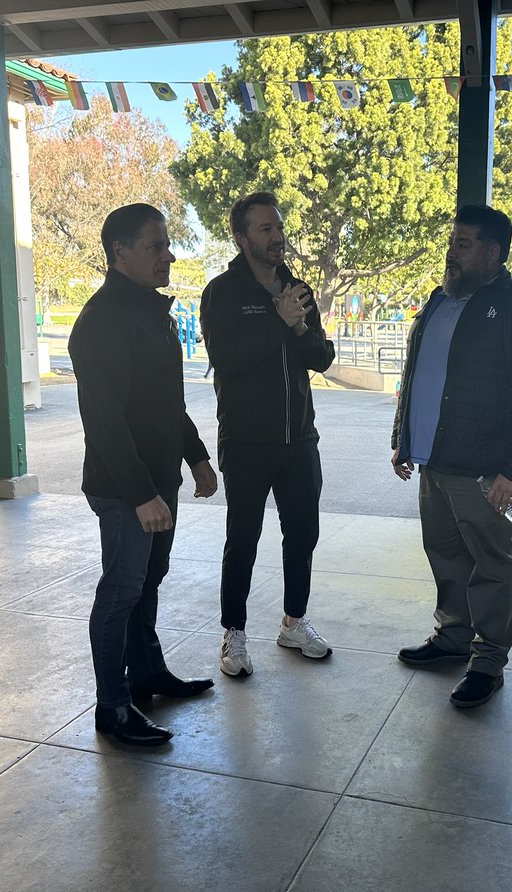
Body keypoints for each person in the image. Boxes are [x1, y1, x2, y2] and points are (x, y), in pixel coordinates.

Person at [391, 204, 512, 708]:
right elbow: (415, 373)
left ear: (493, 252)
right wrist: (403, 436)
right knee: (445, 555)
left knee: (490, 563)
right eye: (451, 243)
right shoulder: (439, 300)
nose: (452, 253)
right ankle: (453, 635)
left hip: (484, 470)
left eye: (463, 245)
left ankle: (487, 659)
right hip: (433, 460)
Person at [69, 203, 219, 748]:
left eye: (167, 245)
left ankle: (147, 673)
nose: (168, 256)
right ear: (120, 253)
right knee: (121, 591)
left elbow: (167, 403)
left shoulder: (152, 314)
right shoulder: (102, 321)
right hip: (124, 489)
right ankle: (112, 706)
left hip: (159, 481)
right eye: (155, 246)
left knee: (148, 581)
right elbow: (104, 421)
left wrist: (195, 457)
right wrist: (140, 495)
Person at [200, 192, 336, 678]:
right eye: (265, 229)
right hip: (246, 441)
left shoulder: (298, 290)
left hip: (299, 439)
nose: (277, 236)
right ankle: (233, 632)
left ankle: (294, 622)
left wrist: (298, 328)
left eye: (278, 226)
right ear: (241, 238)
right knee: (243, 538)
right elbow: (228, 360)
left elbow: (321, 358)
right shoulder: (222, 293)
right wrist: (279, 323)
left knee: (303, 534)